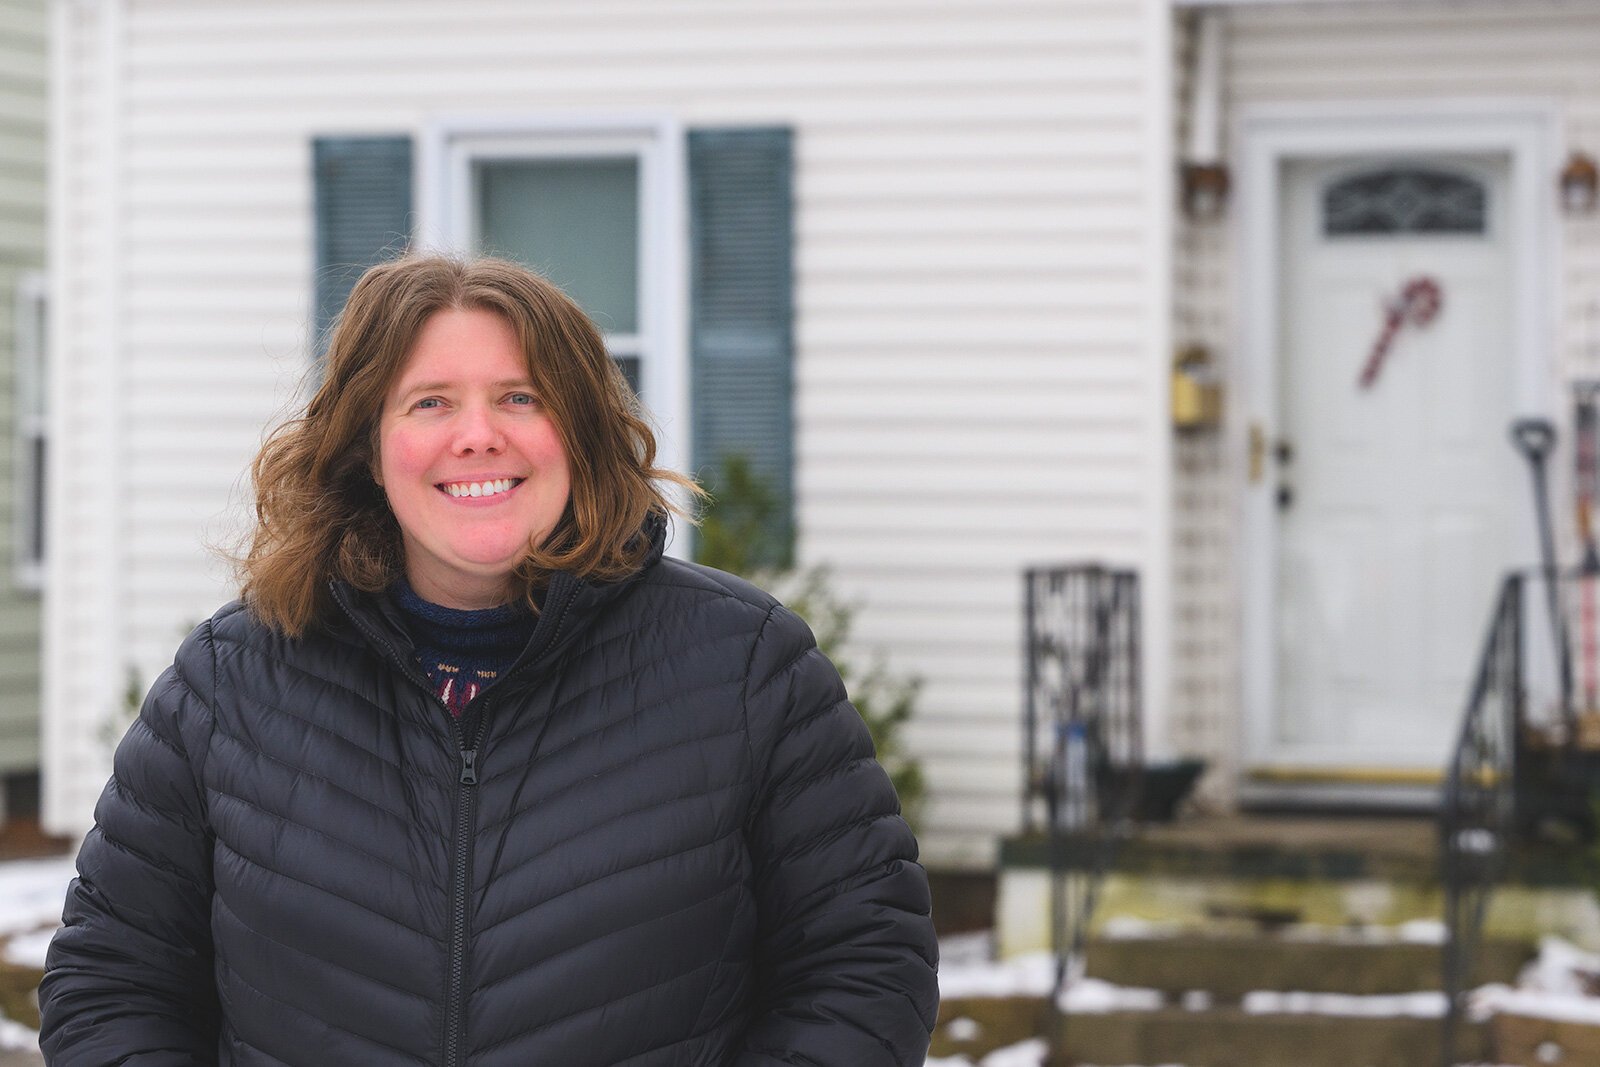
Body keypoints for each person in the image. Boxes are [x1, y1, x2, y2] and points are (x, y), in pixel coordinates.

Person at [37, 255, 939, 1065]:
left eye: (521, 397)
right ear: (368, 444)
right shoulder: (229, 683)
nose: (478, 436)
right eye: (430, 401)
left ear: (581, 435)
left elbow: (864, 965)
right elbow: (112, 985)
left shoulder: (745, 665)